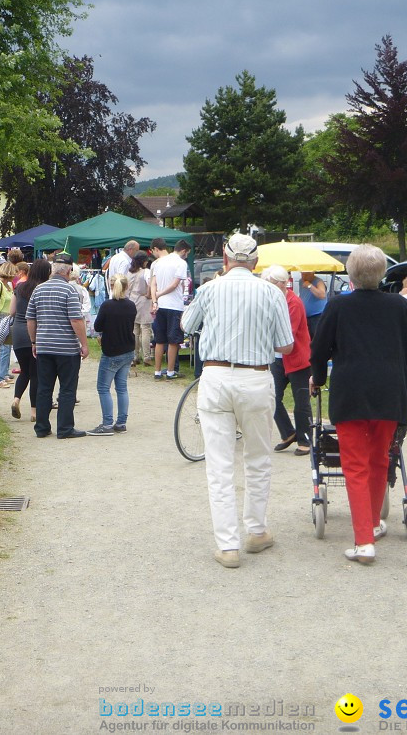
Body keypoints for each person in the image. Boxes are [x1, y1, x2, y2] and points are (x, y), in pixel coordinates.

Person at [180, 234, 293, 569]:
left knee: (219, 464)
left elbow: (187, 324)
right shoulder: (272, 292)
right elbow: (285, 345)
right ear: (255, 263)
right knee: (258, 457)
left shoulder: (210, 289)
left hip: (215, 377)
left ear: (226, 260)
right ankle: (256, 530)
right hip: (256, 377)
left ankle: (227, 545)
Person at [310, 245, 407, 565]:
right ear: (381, 274)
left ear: (351, 274)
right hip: (390, 392)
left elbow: (319, 351)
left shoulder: (337, 307)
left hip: (350, 393)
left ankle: (364, 541)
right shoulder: (400, 306)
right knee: (379, 460)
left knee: (355, 466)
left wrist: (318, 378)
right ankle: (372, 525)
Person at [27, 252, 90, 439]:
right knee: (67, 389)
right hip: (67, 349)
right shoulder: (70, 290)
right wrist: (84, 344)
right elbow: (76, 320)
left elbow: (31, 318)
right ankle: (64, 428)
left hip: (45, 346)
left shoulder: (39, 289)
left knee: (44, 388)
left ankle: (42, 427)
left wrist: (34, 341)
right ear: (69, 270)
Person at [261, 265, 313, 456]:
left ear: (283, 284)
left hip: (297, 358)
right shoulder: (271, 299)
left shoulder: (294, 303)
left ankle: (304, 439)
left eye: (272, 283)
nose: (269, 287)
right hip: (278, 357)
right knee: (271, 396)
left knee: (301, 400)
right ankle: (288, 432)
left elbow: (287, 334)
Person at [88, 274, 137, 435]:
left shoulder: (107, 306)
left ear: (110, 286)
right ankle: (121, 422)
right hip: (128, 349)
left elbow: (97, 326)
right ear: (126, 286)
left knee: (103, 388)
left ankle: (107, 423)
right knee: (122, 387)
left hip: (111, 351)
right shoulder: (131, 305)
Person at [10, 259, 51, 423]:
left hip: (18, 333)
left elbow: (11, 311)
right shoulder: (43, 289)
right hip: (35, 333)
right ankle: (34, 411)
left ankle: (16, 399)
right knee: (35, 374)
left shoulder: (19, 287)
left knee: (24, 371)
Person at [149, 238, 192, 380]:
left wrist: (155, 299)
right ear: (184, 251)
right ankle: (170, 371)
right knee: (173, 341)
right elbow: (175, 285)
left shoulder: (158, 262)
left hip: (160, 305)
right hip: (174, 305)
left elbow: (153, 283)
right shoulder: (181, 263)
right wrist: (160, 294)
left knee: (160, 340)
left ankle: (157, 371)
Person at [127, 251, 153, 367]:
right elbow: (151, 283)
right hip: (143, 300)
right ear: (143, 261)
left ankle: (134, 356)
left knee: (135, 330)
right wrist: (149, 294)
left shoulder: (129, 272)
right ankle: (147, 356)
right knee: (145, 328)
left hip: (132, 300)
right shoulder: (146, 272)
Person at [298, 271, 327, 338]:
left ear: (312, 273)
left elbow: (322, 295)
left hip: (317, 316)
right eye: (302, 274)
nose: (304, 277)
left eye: (306, 275)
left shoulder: (319, 281)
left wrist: (310, 286)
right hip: (305, 316)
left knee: (317, 337)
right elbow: (302, 295)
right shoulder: (301, 281)